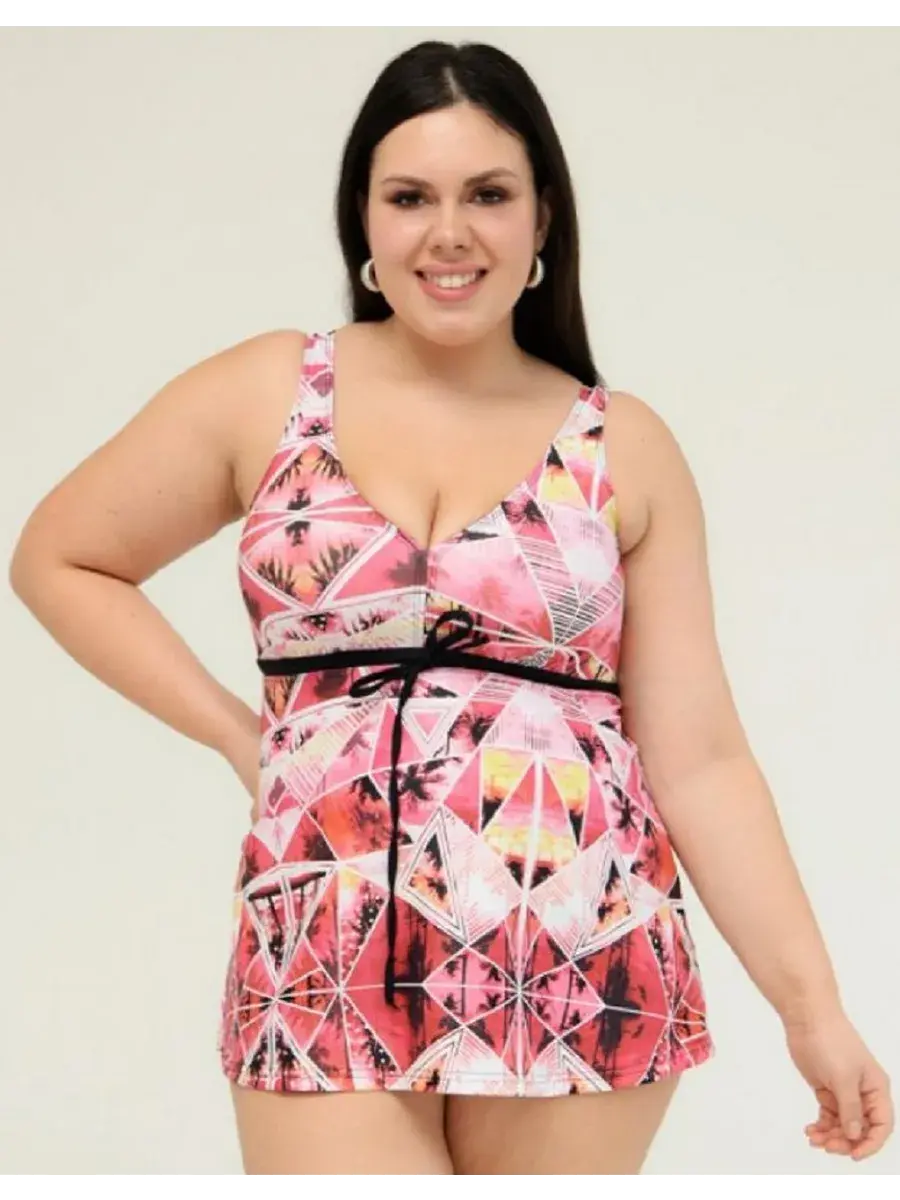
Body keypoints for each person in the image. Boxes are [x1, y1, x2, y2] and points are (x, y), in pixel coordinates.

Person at [8, 38, 893, 1177]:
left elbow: (703, 761)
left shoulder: (623, 444)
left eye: (488, 194)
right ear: (364, 221)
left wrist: (813, 1009)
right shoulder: (270, 390)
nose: (449, 232)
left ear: (542, 218)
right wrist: (242, 735)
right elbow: (63, 557)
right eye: (410, 197)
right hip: (324, 937)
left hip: (580, 947)